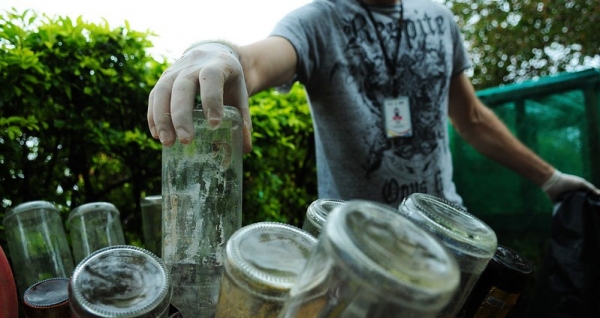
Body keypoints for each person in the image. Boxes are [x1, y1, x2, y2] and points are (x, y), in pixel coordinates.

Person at [147, 0, 599, 208]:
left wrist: (552, 178)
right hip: (356, 254)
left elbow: (474, 119)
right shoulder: (317, 20)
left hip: (446, 234)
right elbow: (258, 61)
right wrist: (220, 52)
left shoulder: (440, 18)